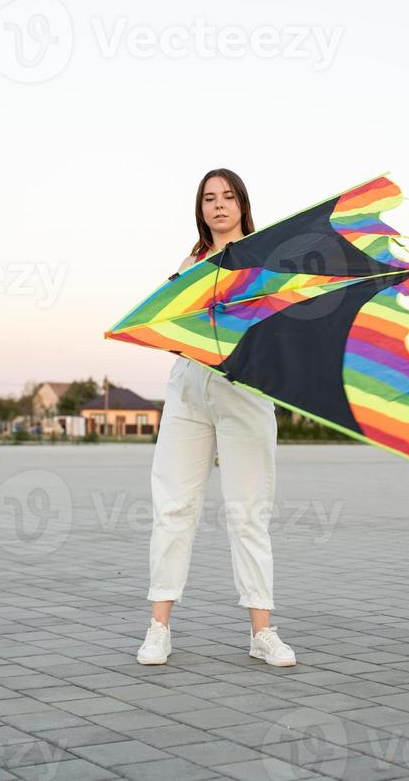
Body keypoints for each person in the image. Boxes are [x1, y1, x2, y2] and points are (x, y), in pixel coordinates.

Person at [137, 168, 296, 668]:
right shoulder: (191, 262)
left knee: (248, 512)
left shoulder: (264, 260)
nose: (219, 205)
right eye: (209, 198)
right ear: (200, 209)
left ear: (243, 204)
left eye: (228, 197)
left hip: (245, 391)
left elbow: (282, 327)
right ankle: (158, 627)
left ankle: (262, 632)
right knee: (172, 508)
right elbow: (161, 323)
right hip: (188, 389)